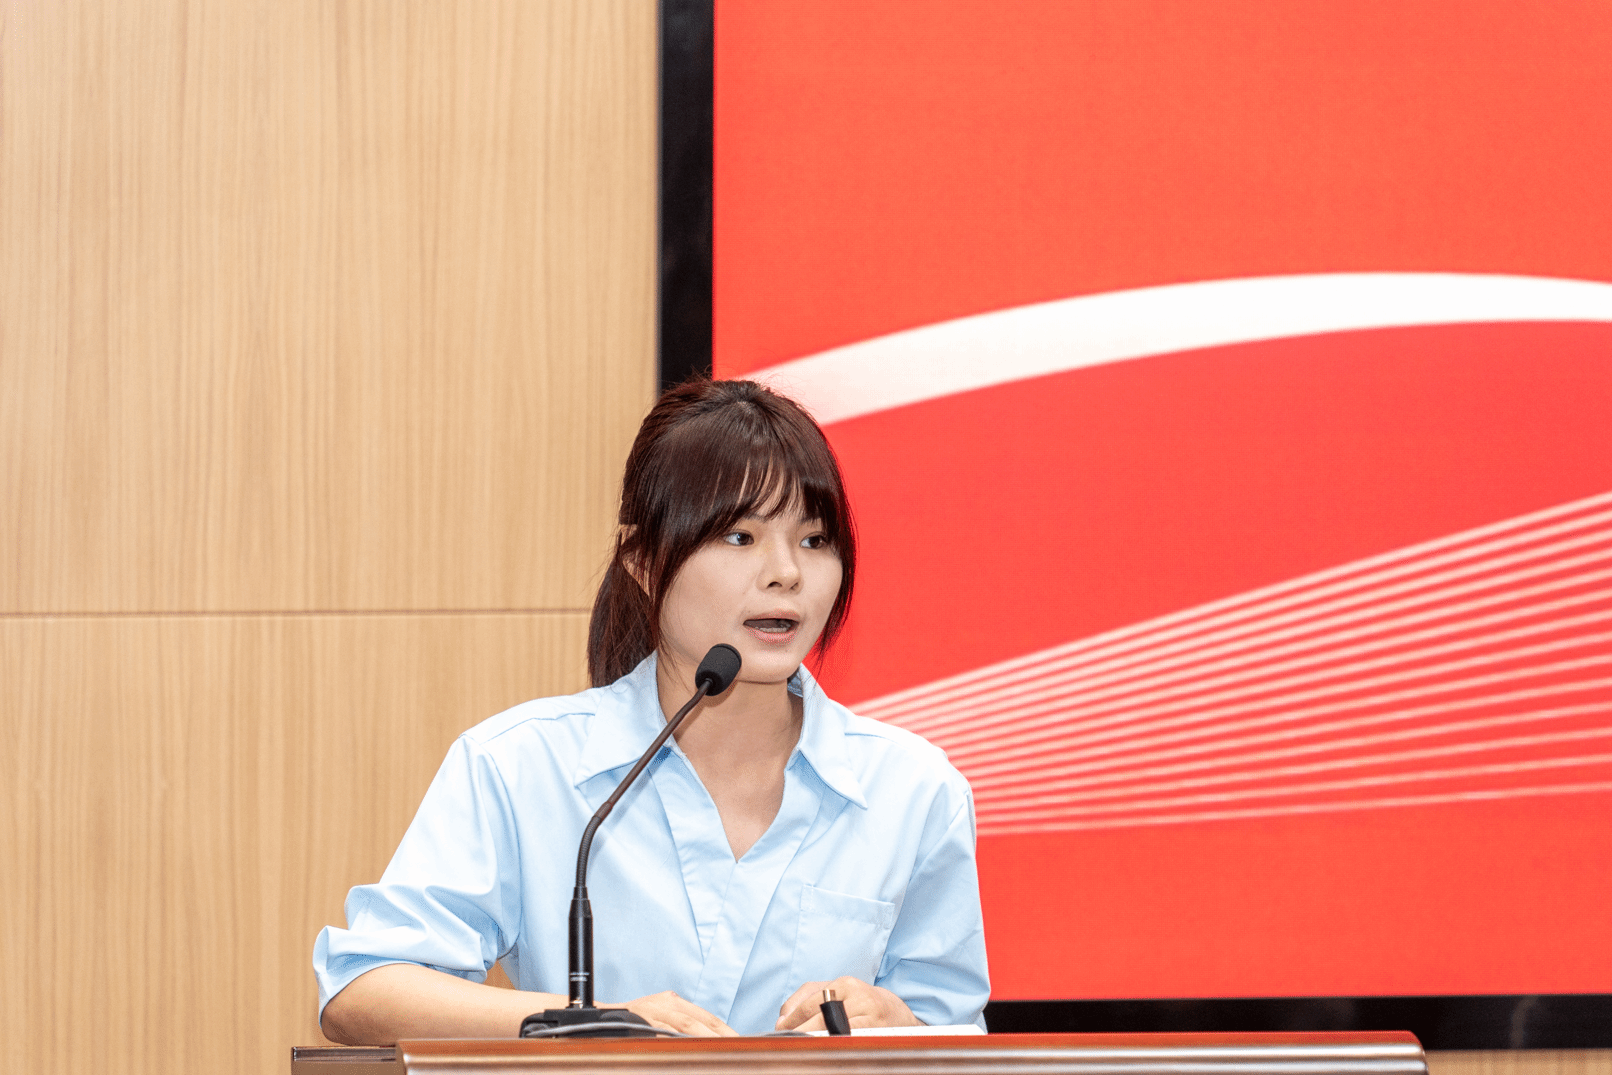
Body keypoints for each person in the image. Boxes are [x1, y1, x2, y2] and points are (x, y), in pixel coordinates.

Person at [314, 379, 988, 1041]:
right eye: (740, 537)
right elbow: (363, 988)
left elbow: (958, 1032)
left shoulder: (915, 791)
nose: (786, 572)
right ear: (642, 562)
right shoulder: (521, 766)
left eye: (814, 540)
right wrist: (587, 1023)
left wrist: (899, 1021)